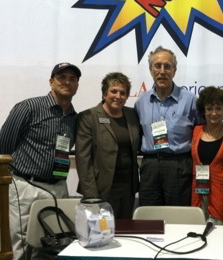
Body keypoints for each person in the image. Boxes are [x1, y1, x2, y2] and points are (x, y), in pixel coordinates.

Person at [0, 62, 81, 260]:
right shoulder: (28, 107)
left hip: (59, 186)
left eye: (72, 79)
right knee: (20, 241)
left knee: (52, 241)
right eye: (62, 78)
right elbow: (4, 146)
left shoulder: (75, 117)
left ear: (77, 85)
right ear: (51, 81)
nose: (67, 82)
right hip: (27, 185)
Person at [134, 46, 198, 206]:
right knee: (148, 216)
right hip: (150, 165)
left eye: (167, 66)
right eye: (157, 66)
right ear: (150, 70)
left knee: (178, 216)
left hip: (179, 165)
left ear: (174, 71)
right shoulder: (141, 102)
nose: (162, 71)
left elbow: (201, 134)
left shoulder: (190, 100)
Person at [75, 72, 140, 219]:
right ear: (104, 94)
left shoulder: (132, 115)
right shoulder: (88, 117)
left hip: (128, 188)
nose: (118, 96)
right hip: (101, 189)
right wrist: (91, 196)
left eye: (123, 93)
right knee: (101, 233)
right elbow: (83, 159)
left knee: (125, 231)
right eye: (113, 91)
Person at [191, 86, 223, 224]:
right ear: (203, 111)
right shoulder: (196, 131)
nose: (213, 113)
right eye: (209, 108)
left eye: (218, 108)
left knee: (220, 236)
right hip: (197, 193)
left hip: (221, 194)